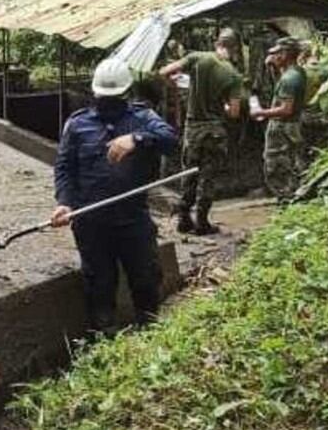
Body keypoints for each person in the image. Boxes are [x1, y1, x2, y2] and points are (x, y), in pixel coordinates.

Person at [51, 57, 177, 333]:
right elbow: (64, 168)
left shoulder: (143, 119)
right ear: (95, 93)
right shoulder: (77, 125)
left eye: (114, 97)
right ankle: (105, 341)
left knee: (145, 279)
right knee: (100, 286)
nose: (108, 102)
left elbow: (170, 140)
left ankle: (149, 333)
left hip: (133, 219)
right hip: (91, 221)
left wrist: (137, 139)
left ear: (126, 93)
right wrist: (63, 202)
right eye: (104, 97)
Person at [159, 29, 243, 235]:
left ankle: (183, 218)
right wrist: (222, 106)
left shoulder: (197, 57)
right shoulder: (234, 75)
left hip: (193, 128)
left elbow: (164, 72)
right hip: (214, 130)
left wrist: (174, 84)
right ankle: (202, 221)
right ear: (235, 48)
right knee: (208, 176)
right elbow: (234, 112)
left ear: (217, 43)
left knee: (189, 172)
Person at [251, 37, 308, 200]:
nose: (273, 57)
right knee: (291, 163)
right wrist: (272, 68)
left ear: (285, 54)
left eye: (277, 54)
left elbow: (286, 109)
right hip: (292, 125)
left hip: (283, 127)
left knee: (276, 167)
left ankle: (287, 199)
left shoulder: (288, 79)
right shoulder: (297, 72)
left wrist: (261, 113)